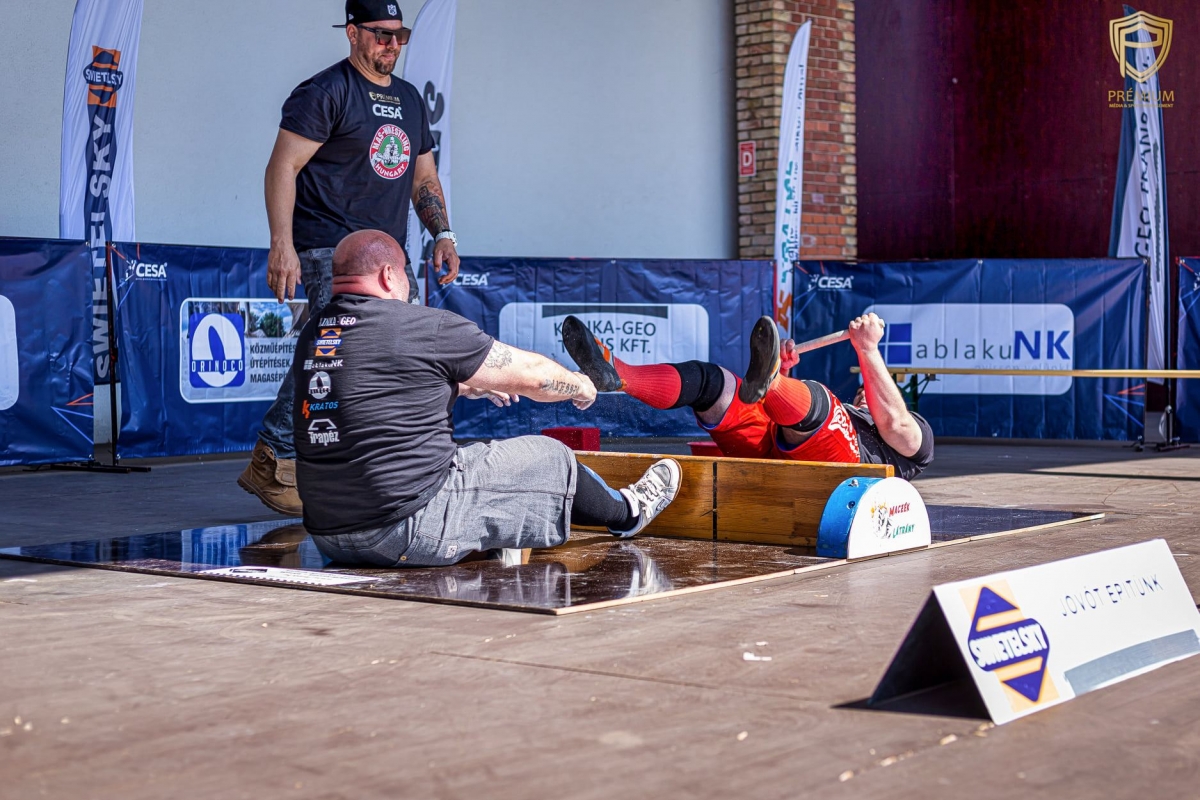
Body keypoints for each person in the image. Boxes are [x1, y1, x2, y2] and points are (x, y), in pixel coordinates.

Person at [290, 230, 682, 567]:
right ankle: (628, 511)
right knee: (549, 458)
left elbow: (375, 392)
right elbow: (533, 377)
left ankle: (495, 544)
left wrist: (465, 386)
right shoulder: (420, 326)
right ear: (388, 275)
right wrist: (579, 384)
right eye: (406, 274)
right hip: (405, 530)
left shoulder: (315, 334)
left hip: (329, 535)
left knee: (469, 462)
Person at [239, 0, 461, 515]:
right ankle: (275, 456)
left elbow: (424, 178)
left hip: (387, 259)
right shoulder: (326, 91)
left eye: (400, 35)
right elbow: (282, 167)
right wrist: (281, 243)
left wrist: (443, 234)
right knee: (331, 351)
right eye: (381, 34)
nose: (392, 44)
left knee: (383, 357)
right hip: (328, 249)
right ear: (353, 33)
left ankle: (380, 464)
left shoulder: (409, 100)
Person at [562, 313, 934, 480]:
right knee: (715, 383)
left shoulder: (918, 437)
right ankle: (619, 375)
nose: (865, 395)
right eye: (862, 391)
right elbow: (785, 429)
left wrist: (868, 349)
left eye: (872, 392)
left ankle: (774, 384)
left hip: (851, 477)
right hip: (775, 451)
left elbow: (894, 423)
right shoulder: (852, 411)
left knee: (822, 403)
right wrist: (781, 372)